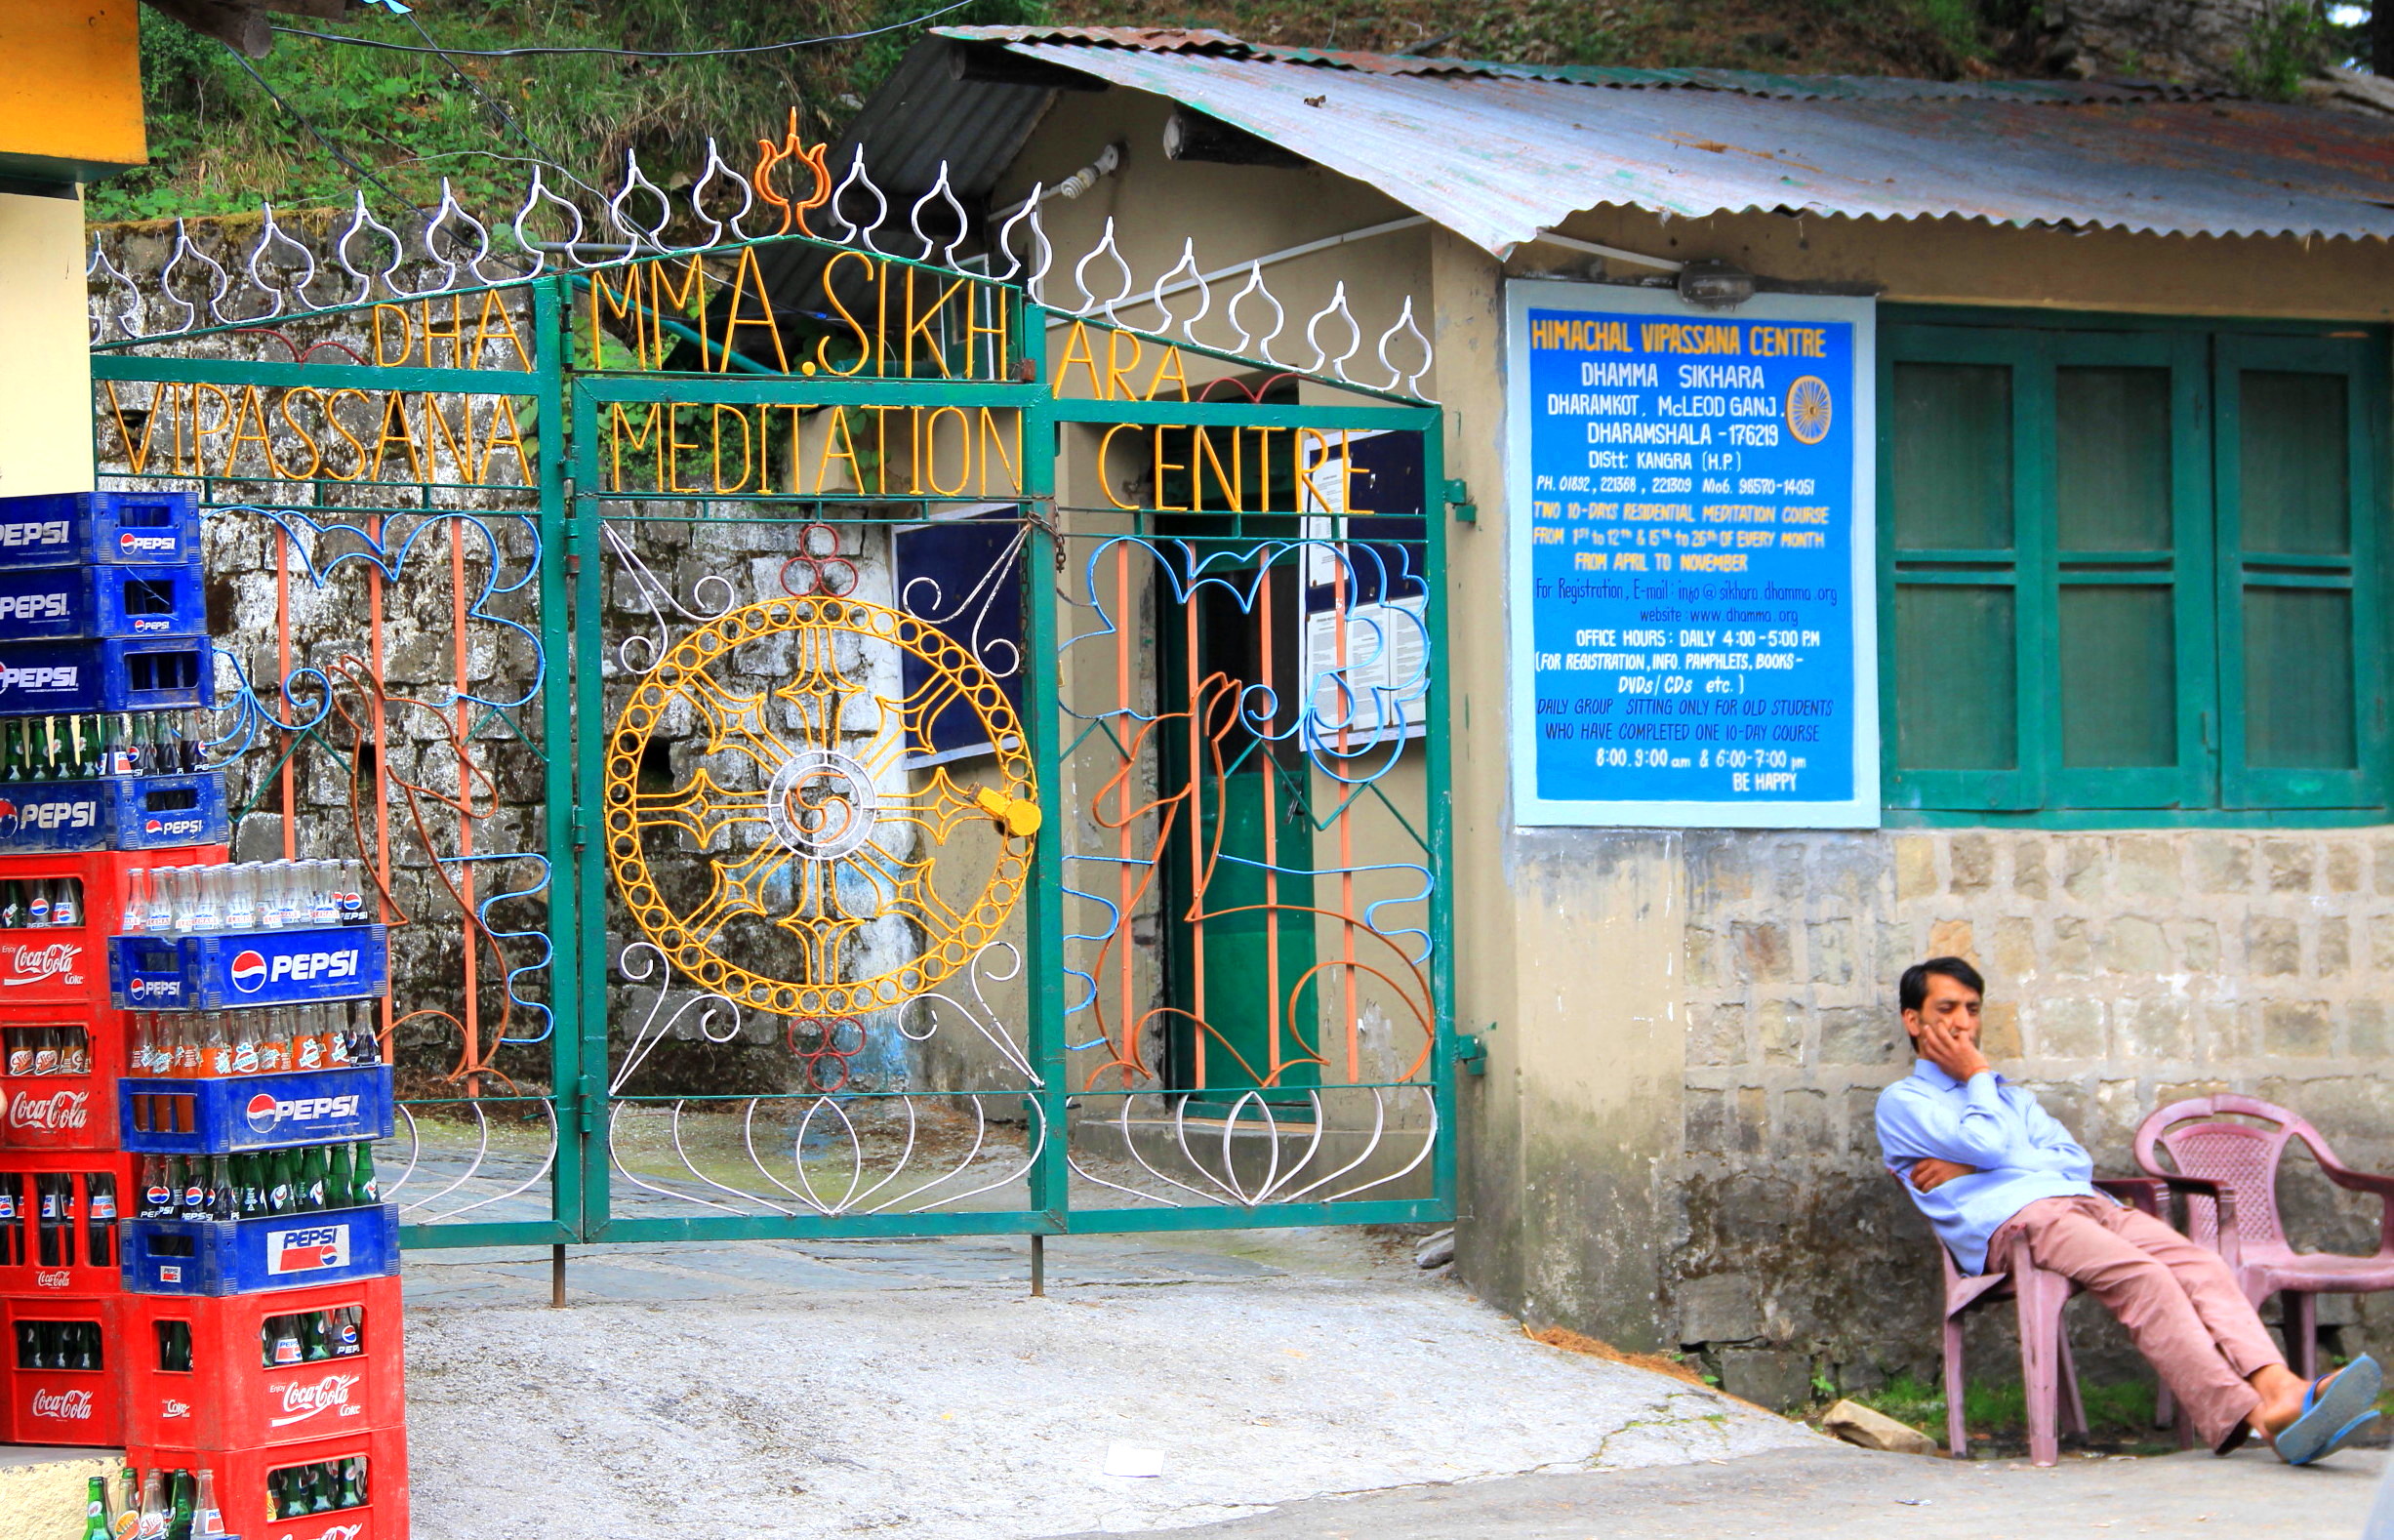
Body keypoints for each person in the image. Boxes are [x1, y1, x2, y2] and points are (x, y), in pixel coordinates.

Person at [1877, 956, 2380, 1464]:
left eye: (1973, 1008)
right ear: (1914, 1021)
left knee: (2202, 1266)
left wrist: (1972, 1166)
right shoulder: (1905, 1102)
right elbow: (1987, 1145)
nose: (1964, 1023)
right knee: (2145, 1276)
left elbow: (2073, 1160)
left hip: (2090, 1203)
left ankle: (2284, 1390)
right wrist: (1980, 1083)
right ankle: (2255, 1417)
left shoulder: (2017, 1099)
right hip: (2020, 1224)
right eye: (1947, 1009)